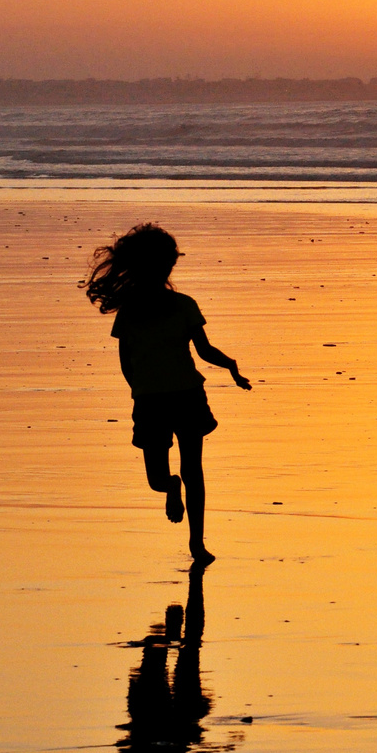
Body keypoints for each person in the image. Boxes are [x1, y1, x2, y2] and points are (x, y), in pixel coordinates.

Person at [82, 223, 249, 564]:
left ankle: (170, 489)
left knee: (158, 477)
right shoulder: (184, 304)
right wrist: (231, 366)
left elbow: (125, 361)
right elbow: (204, 351)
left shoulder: (130, 310)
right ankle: (197, 545)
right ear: (168, 265)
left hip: (151, 400)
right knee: (195, 472)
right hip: (188, 394)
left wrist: (141, 390)